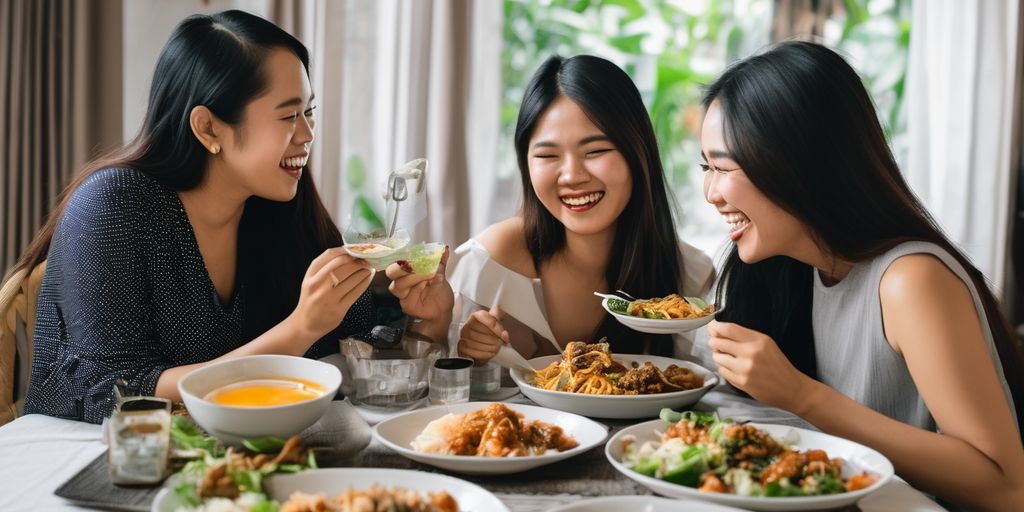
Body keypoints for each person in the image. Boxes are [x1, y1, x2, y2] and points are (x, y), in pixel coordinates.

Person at [3, 10, 452, 424]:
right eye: (289, 115)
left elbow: (353, 351)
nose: (308, 134)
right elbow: (119, 393)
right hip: (94, 461)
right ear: (208, 128)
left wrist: (426, 321)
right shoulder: (114, 206)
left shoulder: (280, 208)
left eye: (310, 111)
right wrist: (299, 329)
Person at [700, 41, 1024, 509]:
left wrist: (800, 395)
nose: (711, 193)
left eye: (724, 167)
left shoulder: (909, 281)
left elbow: (1007, 488)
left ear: (799, 164)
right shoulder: (798, 270)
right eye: (705, 167)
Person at [449, 55, 714, 364]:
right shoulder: (488, 265)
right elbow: (441, 385)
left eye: (596, 151)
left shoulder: (689, 277)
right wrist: (464, 349)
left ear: (638, 153)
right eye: (548, 156)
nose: (572, 176)